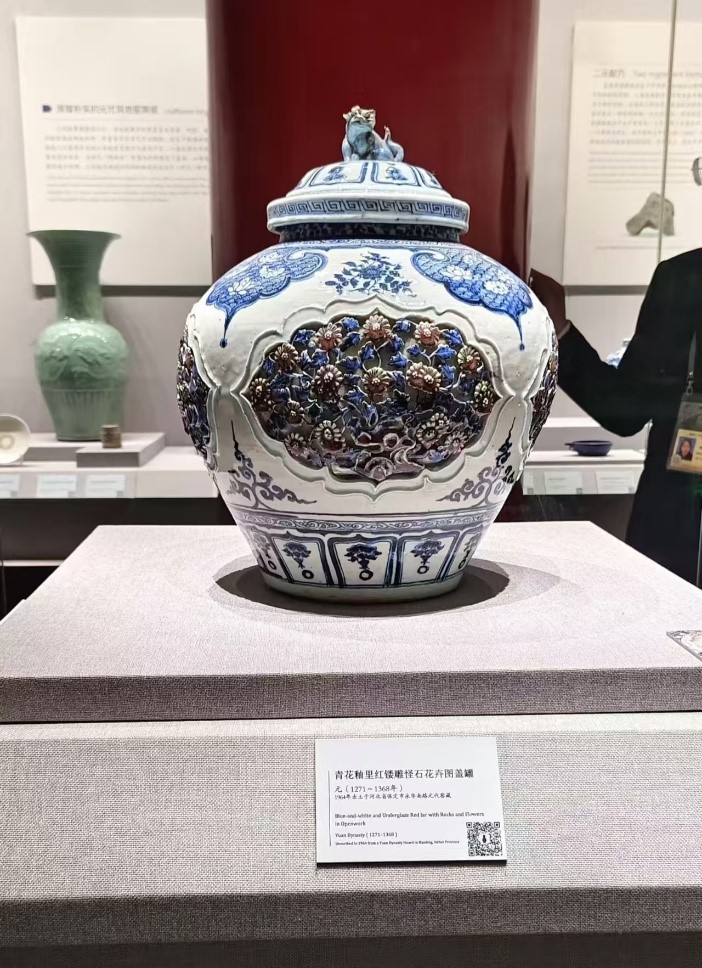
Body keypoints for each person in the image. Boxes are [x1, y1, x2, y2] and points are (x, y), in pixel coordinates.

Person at [530, 250, 702, 585]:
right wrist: (561, 333)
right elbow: (627, 408)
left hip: (682, 519)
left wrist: (561, 331)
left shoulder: (686, 277)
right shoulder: (685, 277)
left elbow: (626, 408)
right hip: (680, 515)